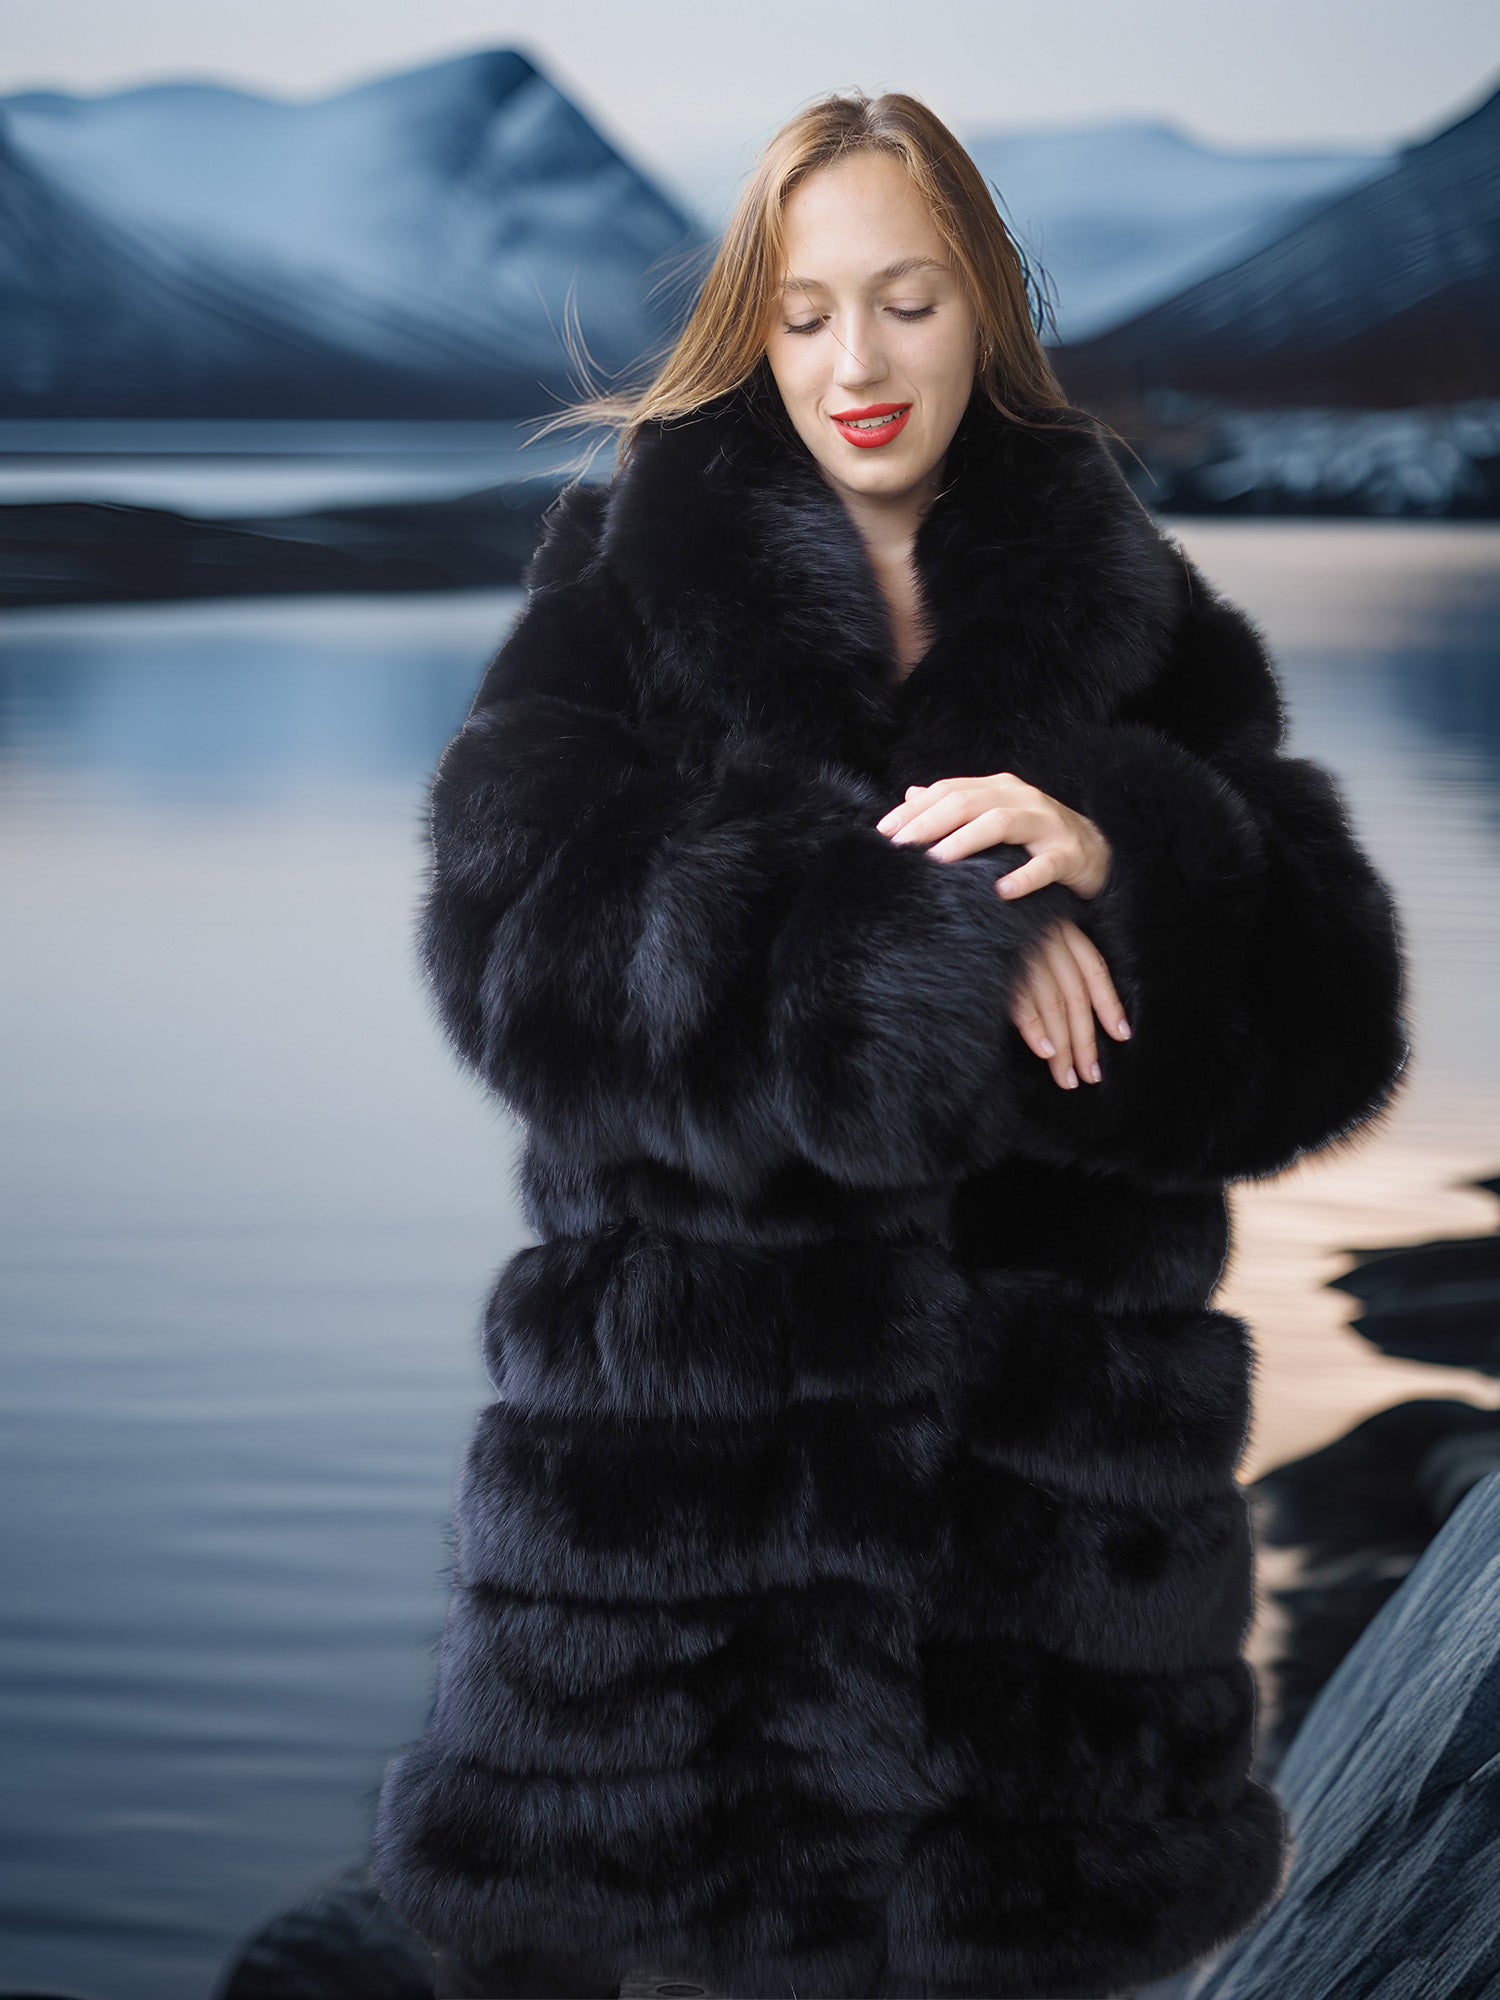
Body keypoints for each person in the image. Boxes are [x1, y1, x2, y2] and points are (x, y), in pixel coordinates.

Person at [369, 88, 1411, 2000]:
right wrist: (928, 943)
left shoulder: (1145, 623)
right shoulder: (629, 605)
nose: (858, 361)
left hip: (1047, 1589)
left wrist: (1121, 851)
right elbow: (519, 956)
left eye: (910, 301)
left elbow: (1324, 1022)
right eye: (806, 308)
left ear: (989, 314)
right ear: (751, 331)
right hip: (680, 1566)